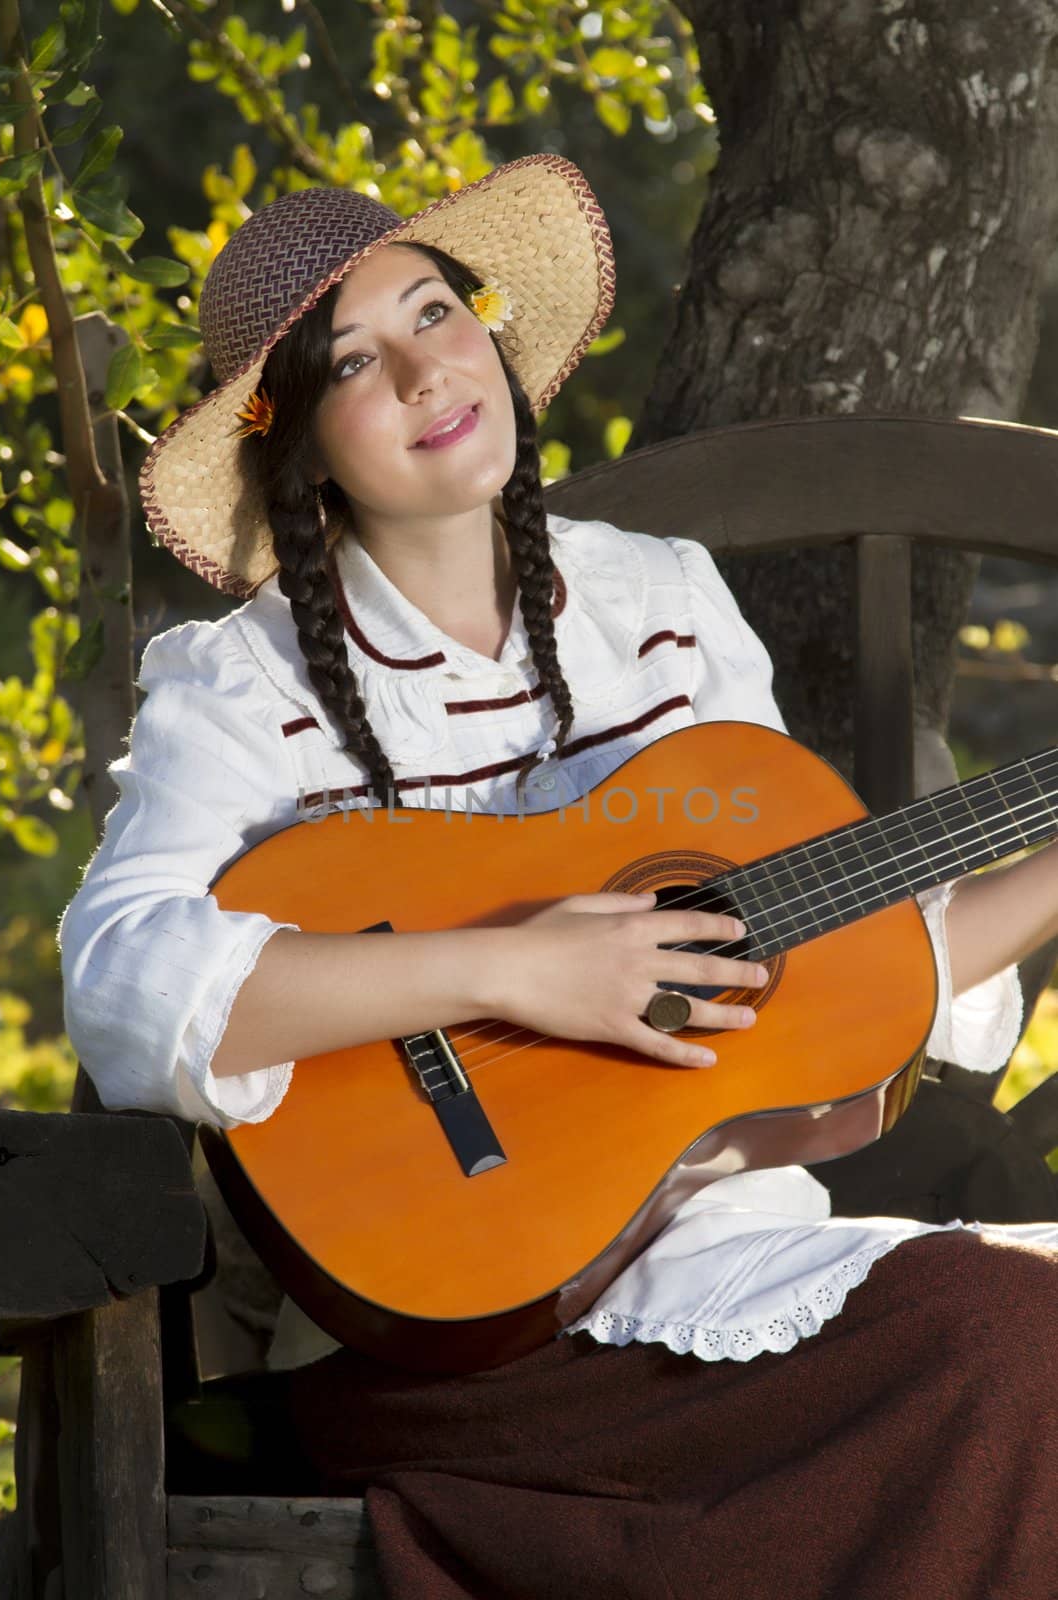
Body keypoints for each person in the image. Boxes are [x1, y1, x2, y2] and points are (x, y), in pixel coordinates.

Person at [58, 155, 1058, 1598]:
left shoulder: (660, 602)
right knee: (1009, 1341)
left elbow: (857, 952)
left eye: (433, 313)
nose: (421, 372)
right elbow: (125, 987)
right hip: (447, 1329)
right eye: (355, 362)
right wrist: (524, 968)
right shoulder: (238, 686)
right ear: (296, 443)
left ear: (490, 332)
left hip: (732, 1277)